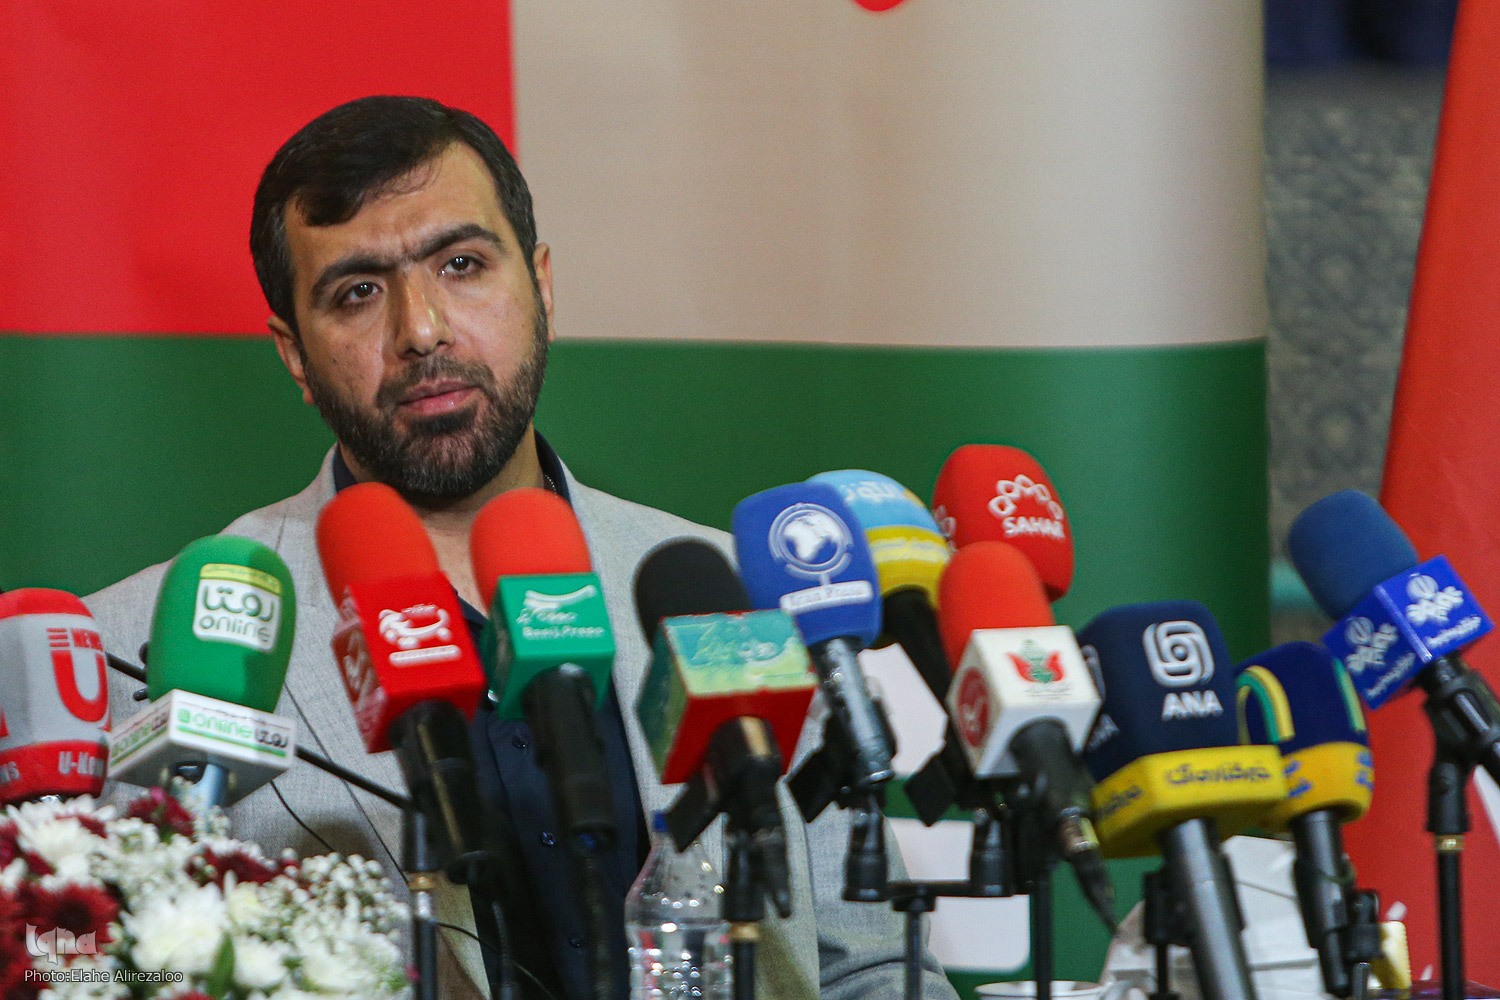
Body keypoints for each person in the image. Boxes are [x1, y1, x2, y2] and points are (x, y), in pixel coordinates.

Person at [86, 96, 955, 1000]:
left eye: (461, 265)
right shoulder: (129, 652)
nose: (421, 329)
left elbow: (870, 969)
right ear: (294, 355)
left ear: (541, 285)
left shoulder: (733, 595)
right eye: (357, 292)